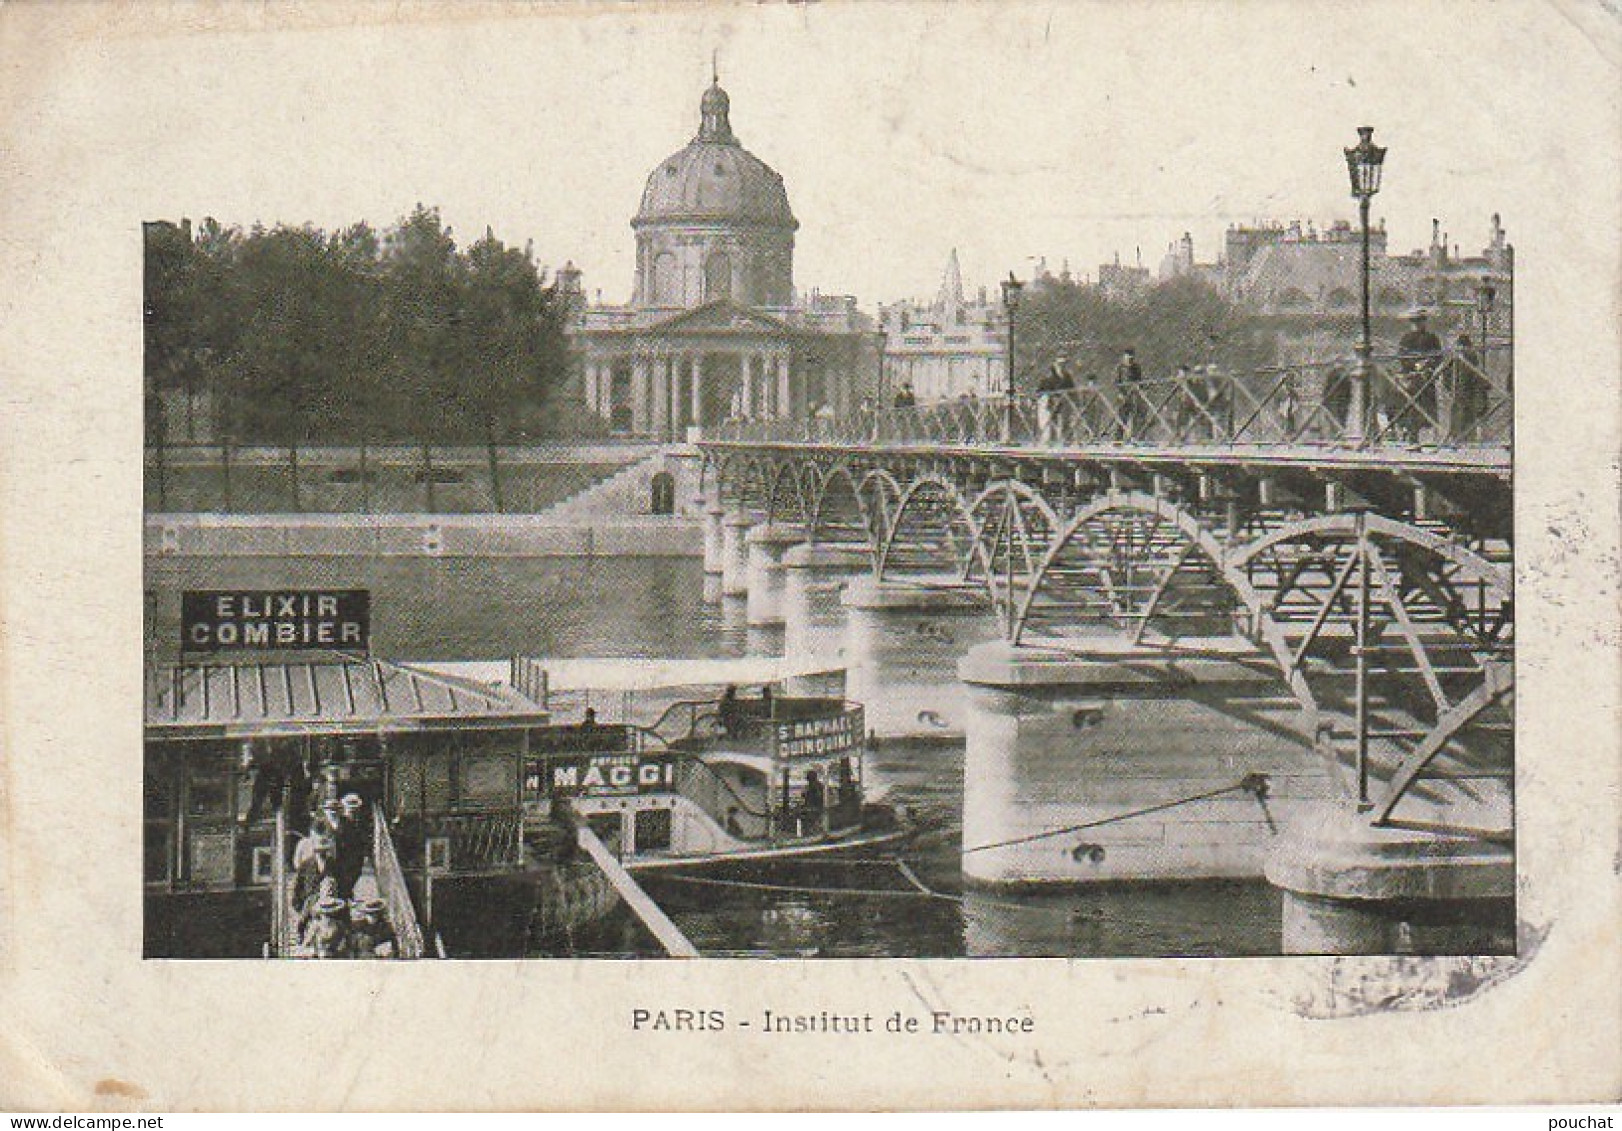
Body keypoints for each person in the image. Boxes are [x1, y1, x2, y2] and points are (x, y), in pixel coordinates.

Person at [1393, 309, 1443, 441]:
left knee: (1427, 408)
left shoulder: (1432, 338)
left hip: (1426, 377)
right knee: (1409, 405)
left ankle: (1430, 436)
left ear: (1424, 322)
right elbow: (1401, 357)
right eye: (1414, 321)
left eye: (1419, 321)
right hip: (1410, 377)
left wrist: (1428, 364)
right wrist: (1414, 365)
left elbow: (1438, 357)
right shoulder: (1406, 338)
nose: (1416, 324)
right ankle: (1409, 433)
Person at [1447, 332, 1487, 442]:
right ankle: (1458, 437)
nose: (1461, 348)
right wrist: (1450, 387)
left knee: (1465, 415)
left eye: (1463, 346)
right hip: (1460, 390)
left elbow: (1474, 375)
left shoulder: (1470, 357)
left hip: (1467, 390)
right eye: (1460, 346)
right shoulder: (1456, 358)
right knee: (1460, 414)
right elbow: (1447, 373)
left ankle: (1462, 437)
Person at [1113, 349, 1145, 441]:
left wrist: (1139, 390)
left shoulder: (1136, 367)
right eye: (1128, 357)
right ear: (1124, 357)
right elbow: (1116, 382)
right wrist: (1120, 392)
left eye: (1131, 357)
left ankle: (1135, 437)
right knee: (1122, 417)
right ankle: (1118, 438)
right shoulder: (1120, 368)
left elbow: (1139, 380)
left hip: (1134, 395)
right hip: (1123, 396)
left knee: (1136, 416)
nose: (1130, 359)